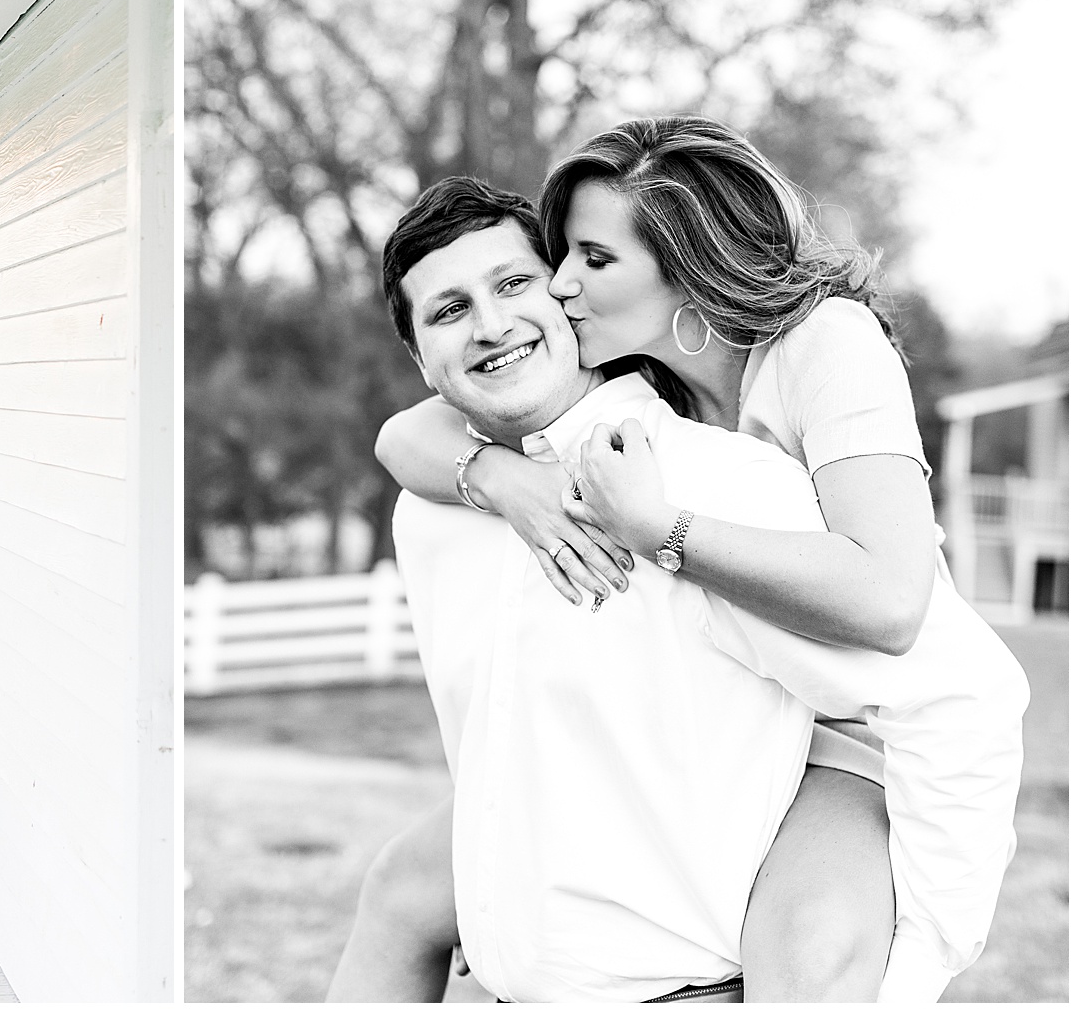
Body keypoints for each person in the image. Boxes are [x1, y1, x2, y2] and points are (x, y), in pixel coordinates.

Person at [340, 176, 1024, 1002]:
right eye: (448, 311)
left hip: (697, 971)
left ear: (567, 301)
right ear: (418, 359)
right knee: (398, 890)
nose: (490, 324)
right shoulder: (435, 513)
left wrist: (919, 961)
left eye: (515, 283)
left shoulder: (718, 476)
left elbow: (959, 692)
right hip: (514, 988)